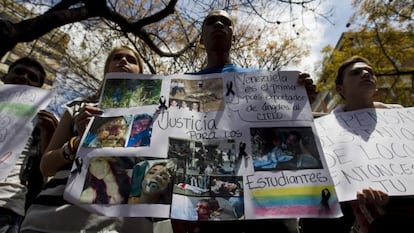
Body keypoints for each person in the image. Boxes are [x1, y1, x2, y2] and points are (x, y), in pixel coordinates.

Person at [172, 9, 315, 233]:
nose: (218, 24)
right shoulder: (181, 86)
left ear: (233, 36)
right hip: (208, 210)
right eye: (211, 22)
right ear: (201, 38)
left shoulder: (261, 81)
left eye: (225, 22)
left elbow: (287, 129)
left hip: (264, 208)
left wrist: (302, 102)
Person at [20, 46, 153, 233]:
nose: (123, 61)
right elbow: (46, 166)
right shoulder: (78, 108)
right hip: (54, 217)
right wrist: (78, 142)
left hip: (124, 222)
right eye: (117, 58)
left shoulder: (158, 116)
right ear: (107, 69)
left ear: (140, 72)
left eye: (131, 60)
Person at [300, 56, 409, 233]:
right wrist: (298, 103)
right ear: (340, 89)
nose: (366, 74)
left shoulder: (401, 117)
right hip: (345, 210)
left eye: (370, 72)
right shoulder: (323, 128)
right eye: (356, 73)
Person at [0, 57, 58, 233]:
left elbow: (48, 169)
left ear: (38, 88)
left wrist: (49, 134)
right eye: (19, 72)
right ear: (6, 77)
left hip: (6, 206)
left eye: (32, 77)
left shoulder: (43, 122)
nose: (24, 77)